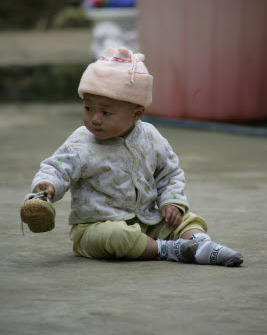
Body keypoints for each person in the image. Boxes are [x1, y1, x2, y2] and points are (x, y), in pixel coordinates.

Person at [21, 46, 243, 266]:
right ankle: (170, 249)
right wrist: (47, 185)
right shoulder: (81, 142)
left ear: (136, 114)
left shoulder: (151, 138)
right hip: (96, 227)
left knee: (187, 219)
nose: (95, 119)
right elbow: (58, 168)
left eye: (106, 112)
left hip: (147, 219)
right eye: (88, 108)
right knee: (118, 236)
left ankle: (202, 244)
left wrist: (170, 202)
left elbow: (169, 173)